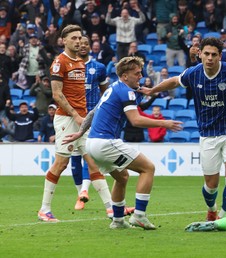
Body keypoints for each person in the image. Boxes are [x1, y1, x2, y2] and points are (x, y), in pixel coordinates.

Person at [139, 37, 226, 221]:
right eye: (206, 54)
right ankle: (212, 208)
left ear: (220, 56)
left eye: (214, 55)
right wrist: (153, 91)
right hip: (208, 134)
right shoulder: (193, 73)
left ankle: (222, 218)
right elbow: (174, 81)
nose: (209, 58)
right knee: (211, 186)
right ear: (200, 54)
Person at [62, 56, 183, 229]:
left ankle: (118, 221)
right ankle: (139, 215)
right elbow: (136, 120)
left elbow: (93, 113)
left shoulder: (113, 88)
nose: (140, 76)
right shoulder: (126, 91)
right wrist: (165, 123)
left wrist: (80, 133)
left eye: (140, 72)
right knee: (148, 168)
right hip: (105, 142)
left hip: (92, 144)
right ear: (125, 76)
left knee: (122, 177)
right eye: (136, 73)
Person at [37, 25, 113, 222]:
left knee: (93, 161)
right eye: (74, 38)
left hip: (82, 118)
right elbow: (57, 94)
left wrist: (83, 116)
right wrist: (75, 115)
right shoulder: (59, 62)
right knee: (61, 163)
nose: (78, 41)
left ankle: (111, 208)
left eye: (80, 37)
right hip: (66, 119)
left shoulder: (80, 62)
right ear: (64, 41)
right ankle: (44, 209)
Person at [70, 35, 111, 211]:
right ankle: (80, 194)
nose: (83, 46)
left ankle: (85, 191)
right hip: (72, 117)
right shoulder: (69, 67)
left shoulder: (99, 68)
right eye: (81, 44)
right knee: (74, 159)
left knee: (89, 155)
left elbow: (105, 92)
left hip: (92, 116)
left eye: (87, 43)